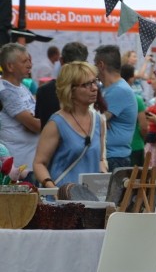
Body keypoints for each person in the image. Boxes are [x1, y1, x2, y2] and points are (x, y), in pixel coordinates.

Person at [32, 61, 108, 189]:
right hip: (63, 200)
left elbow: (100, 159)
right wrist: (52, 189)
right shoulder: (57, 123)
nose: (94, 88)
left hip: (92, 199)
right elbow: (39, 163)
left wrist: (104, 180)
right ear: (70, 90)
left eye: (95, 82)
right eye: (86, 84)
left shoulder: (98, 120)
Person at [94, 44, 138, 171]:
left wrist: (99, 118)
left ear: (101, 65)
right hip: (107, 156)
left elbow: (95, 121)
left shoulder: (119, 90)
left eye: (95, 64)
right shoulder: (104, 88)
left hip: (114, 158)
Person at [0, 43, 40, 179]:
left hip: (29, 164)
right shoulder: (6, 91)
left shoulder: (22, 87)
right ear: (10, 66)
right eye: (24, 61)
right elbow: (35, 126)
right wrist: (38, 121)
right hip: (16, 168)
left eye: (29, 60)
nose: (30, 64)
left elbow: (35, 120)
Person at [35, 42, 89, 129]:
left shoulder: (44, 91)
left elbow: (40, 121)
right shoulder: (91, 90)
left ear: (61, 61)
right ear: (86, 63)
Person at [120, 63, 149, 167]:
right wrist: (144, 139)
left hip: (116, 148)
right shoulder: (136, 99)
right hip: (136, 145)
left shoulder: (110, 96)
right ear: (131, 78)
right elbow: (144, 127)